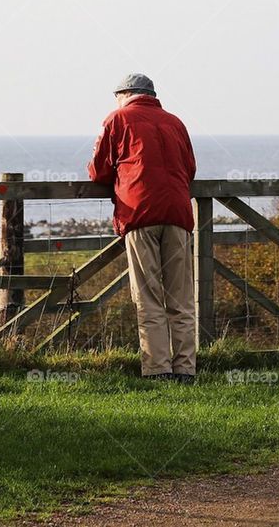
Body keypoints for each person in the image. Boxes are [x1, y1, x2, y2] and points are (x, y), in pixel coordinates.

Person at [87, 73, 198, 383]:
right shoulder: (175, 122)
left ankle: (158, 368)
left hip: (140, 212)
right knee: (181, 298)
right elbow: (190, 168)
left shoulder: (117, 119)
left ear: (125, 95)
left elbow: (99, 171)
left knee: (148, 296)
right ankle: (186, 369)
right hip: (178, 212)